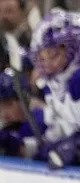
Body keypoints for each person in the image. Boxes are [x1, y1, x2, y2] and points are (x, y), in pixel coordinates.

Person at [29, 9, 80, 168]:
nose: (47, 64)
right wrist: (25, 147)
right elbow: (61, 129)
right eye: (42, 58)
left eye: (52, 55)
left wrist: (77, 145)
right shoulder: (55, 85)